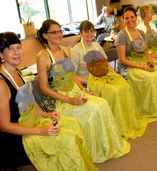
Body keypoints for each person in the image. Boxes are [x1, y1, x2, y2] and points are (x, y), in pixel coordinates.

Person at [0, 32, 98, 171]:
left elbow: (28, 107)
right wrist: (41, 131)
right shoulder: (2, 84)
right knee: (67, 139)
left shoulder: (17, 73)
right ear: (1, 55)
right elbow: (4, 126)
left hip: (30, 122)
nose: (17, 52)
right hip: (15, 138)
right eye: (10, 49)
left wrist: (48, 115)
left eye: (18, 47)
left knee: (74, 125)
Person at [36, 19, 130, 163]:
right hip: (59, 99)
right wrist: (69, 100)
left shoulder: (65, 50)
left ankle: (105, 146)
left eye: (60, 31)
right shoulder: (42, 57)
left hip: (74, 91)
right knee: (94, 109)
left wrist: (83, 91)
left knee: (102, 104)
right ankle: (93, 150)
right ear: (45, 35)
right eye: (54, 32)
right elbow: (43, 88)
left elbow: (72, 75)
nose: (59, 34)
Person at [71, 20, 147, 139]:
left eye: (92, 31)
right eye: (86, 31)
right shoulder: (75, 50)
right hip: (89, 81)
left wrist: (115, 75)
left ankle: (126, 121)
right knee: (114, 92)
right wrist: (87, 82)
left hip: (104, 76)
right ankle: (116, 125)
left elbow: (106, 64)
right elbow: (73, 75)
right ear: (80, 33)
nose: (90, 34)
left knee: (124, 86)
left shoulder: (97, 46)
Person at [115, 6, 157, 121]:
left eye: (132, 17)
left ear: (136, 18)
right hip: (128, 67)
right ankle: (149, 108)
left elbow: (146, 51)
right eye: (126, 18)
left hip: (143, 61)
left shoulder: (141, 33)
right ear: (123, 20)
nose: (130, 20)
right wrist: (142, 67)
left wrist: (149, 61)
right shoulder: (122, 35)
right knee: (150, 78)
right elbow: (122, 60)